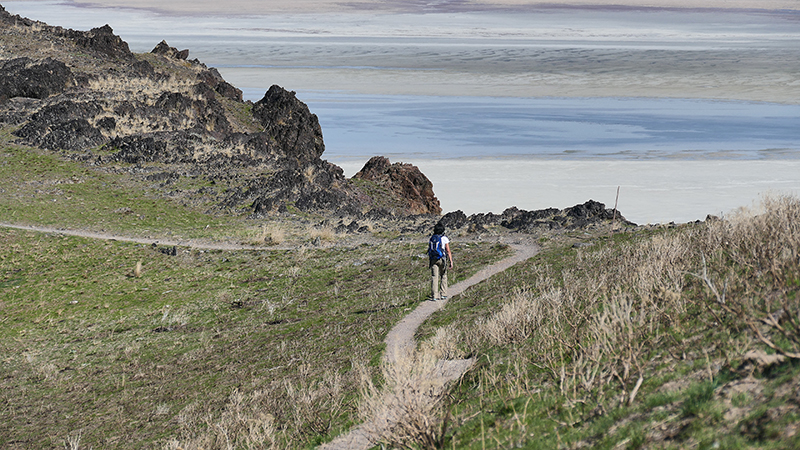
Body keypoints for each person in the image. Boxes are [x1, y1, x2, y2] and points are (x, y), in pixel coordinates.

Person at [428, 223, 454, 301]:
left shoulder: (432, 238)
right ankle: (443, 294)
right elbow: (448, 251)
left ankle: (434, 295)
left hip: (433, 259)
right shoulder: (444, 238)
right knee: (443, 275)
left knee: (434, 277)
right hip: (442, 259)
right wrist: (451, 261)